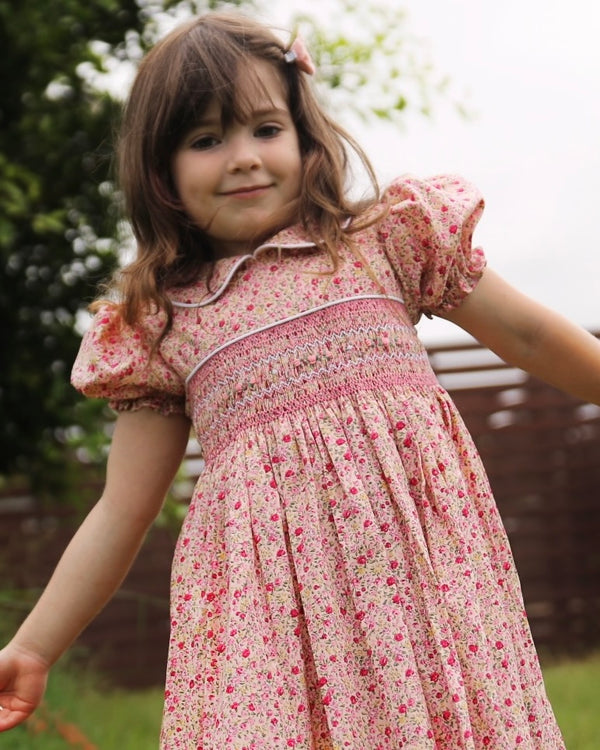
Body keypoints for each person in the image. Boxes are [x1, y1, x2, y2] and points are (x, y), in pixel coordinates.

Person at [0, 11, 598, 749]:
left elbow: (530, 334)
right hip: (281, 633)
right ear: (159, 172)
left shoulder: (385, 241)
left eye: (264, 128)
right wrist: (32, 647)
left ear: (306, 135)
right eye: (206, 140)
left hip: (421, 589)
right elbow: (121, 511)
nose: (244, 158)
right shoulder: (164, 322)